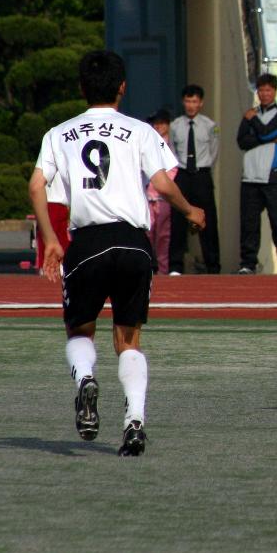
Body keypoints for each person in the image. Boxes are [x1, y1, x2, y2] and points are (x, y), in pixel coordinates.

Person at [29, 50, 205, 457]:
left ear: (80, 88)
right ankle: (135, 421)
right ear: (122, 87)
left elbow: (37, 186)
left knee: (80, 330)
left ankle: (86, 380)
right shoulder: (141, 131)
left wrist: (51, 237)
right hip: (133, 243)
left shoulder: (58, 133)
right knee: (129, 339)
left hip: (87, 243)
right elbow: (161, 183)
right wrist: (190, 210)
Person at [236, 73, 277, 275]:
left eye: (268, 90)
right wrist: (266, 137)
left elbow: (265, 132)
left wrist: (259, 131)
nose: (264, 94)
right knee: (249, 224)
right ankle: (248, 263)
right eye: (261, 90)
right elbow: (242, 141)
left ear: (275, 91)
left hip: (274, 177)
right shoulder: (250, 114)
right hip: (250, 177)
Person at [169, 84, 221, 274]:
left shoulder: (210, 126)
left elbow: (214, 151)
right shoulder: (175, 126)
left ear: (201, 103)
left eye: (195, 101)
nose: (191, 105)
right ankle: (175, 265)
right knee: (178, 219)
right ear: (183, 102)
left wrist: (204, 168)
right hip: (183, 174)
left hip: (202, 175)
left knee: (208, 220)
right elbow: (172, 150)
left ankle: (213, 265)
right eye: (188, 101)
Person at [148, 110, 181, 276]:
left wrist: (164, 185)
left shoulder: (171, 144)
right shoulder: (148, 143)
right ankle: (147, 268)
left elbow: (173, 168)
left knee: (163, 235)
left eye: (161, 123)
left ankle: (163, 269)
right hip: (147, 196)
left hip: (164, 196)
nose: (158, 126)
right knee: (148, 233)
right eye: (155, 123)